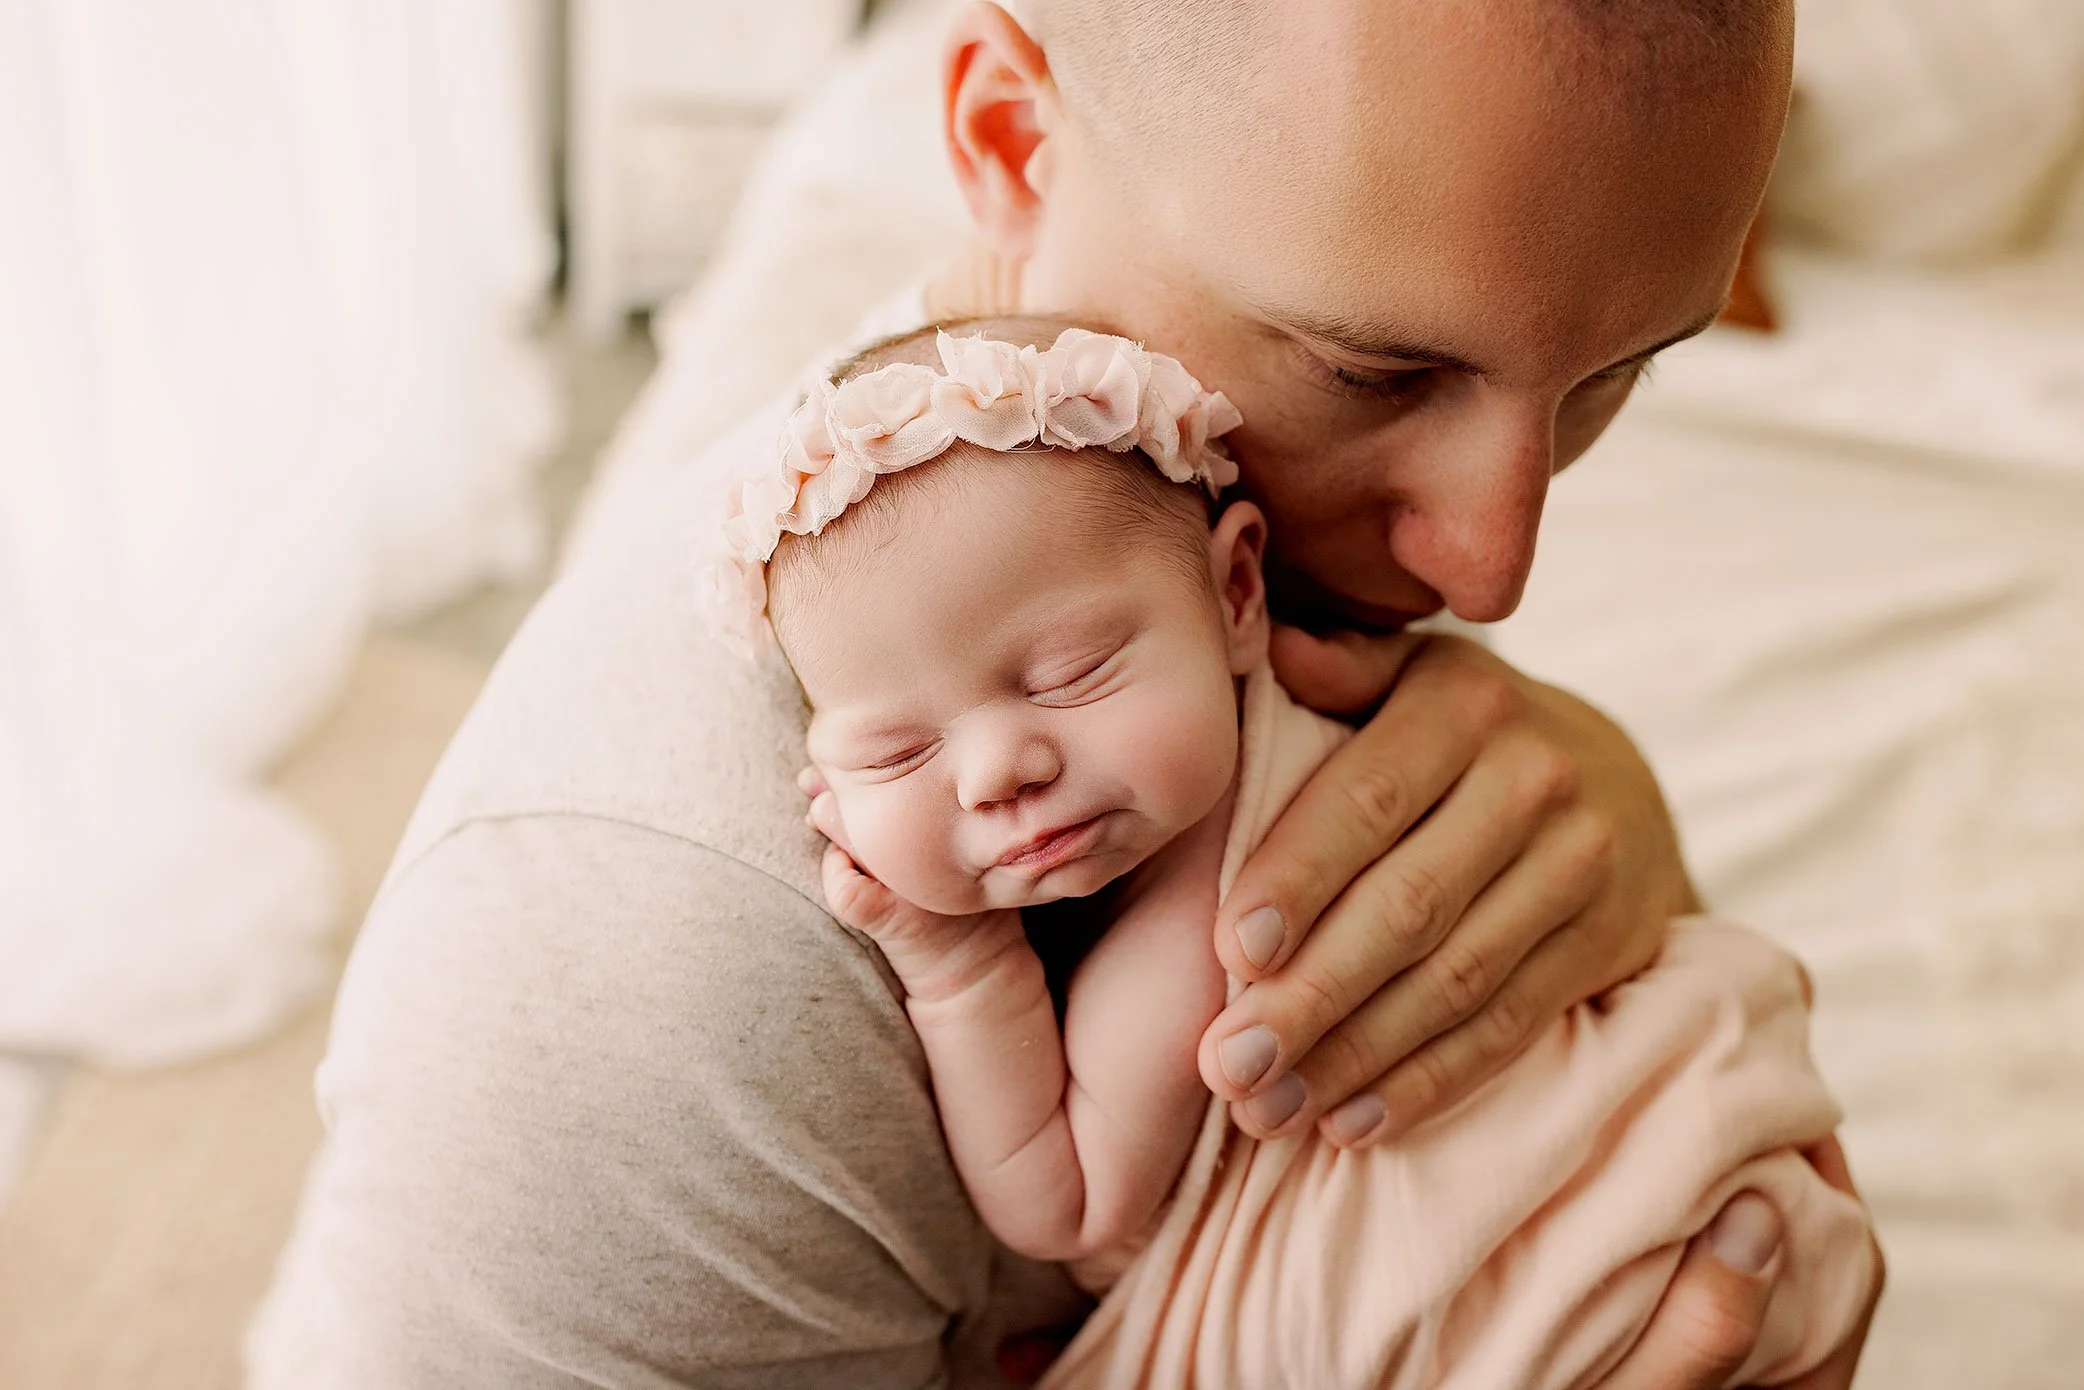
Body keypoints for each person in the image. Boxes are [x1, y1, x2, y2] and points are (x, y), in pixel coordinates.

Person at [249, 1, 1883, 1386]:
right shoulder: (649, 960)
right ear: (1011, 144)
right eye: (1371, 373)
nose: (1486, 571)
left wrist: (1617, 847)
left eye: (1611, 378)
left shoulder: (1264, 598)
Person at [739, 316, 1874, 1388]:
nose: (996, 772)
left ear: (1236, 593)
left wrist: (960, 966)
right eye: (893, 755)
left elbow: (1069, 1204)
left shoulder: (1210, 913)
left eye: (1070, 673)